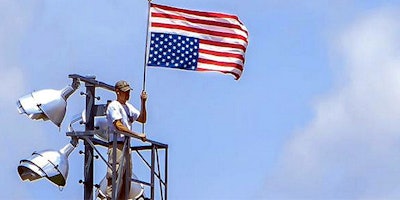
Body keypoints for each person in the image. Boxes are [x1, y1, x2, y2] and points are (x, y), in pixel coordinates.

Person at [105, 80, 147, 199]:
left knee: (126, 178)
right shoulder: (114, 105)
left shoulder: (128, 107)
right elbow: (119, 126)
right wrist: (137, 135)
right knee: (115, 176)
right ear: (117, 92)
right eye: (125, 92)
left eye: (128, 92)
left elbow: (142, 119)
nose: (127, 94)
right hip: (116, 146)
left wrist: (143, 102)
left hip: (126, 146)